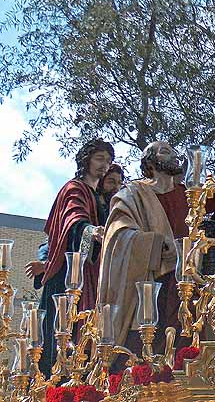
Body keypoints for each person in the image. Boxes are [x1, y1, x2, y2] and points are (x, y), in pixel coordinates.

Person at [98, 141, 188, 363]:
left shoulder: (189, 196)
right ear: (150, 161)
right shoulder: (133, 194)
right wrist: (154, 245)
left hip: (187, 286)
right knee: (146, 357)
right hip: (150, 286)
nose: (173, 154)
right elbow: (117, 236)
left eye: (173, 151)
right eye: (165, 151)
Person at [38, 138, 114, 375]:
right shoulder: (75, 188)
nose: (104, 164)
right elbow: (73, 220)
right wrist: (91, 231)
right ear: (86, 160)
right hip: (67, 273)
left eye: (108, 160)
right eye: (99, 158)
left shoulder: (96, 194)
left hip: (89, 273)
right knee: (63, 331)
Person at [26, 164, 124, 289]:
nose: (116, 187)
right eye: (111, 182)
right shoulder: (86, 203)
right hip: (76, 277)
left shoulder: (116, 212)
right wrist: (46, 264)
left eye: (119, 183)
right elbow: (58, 239)